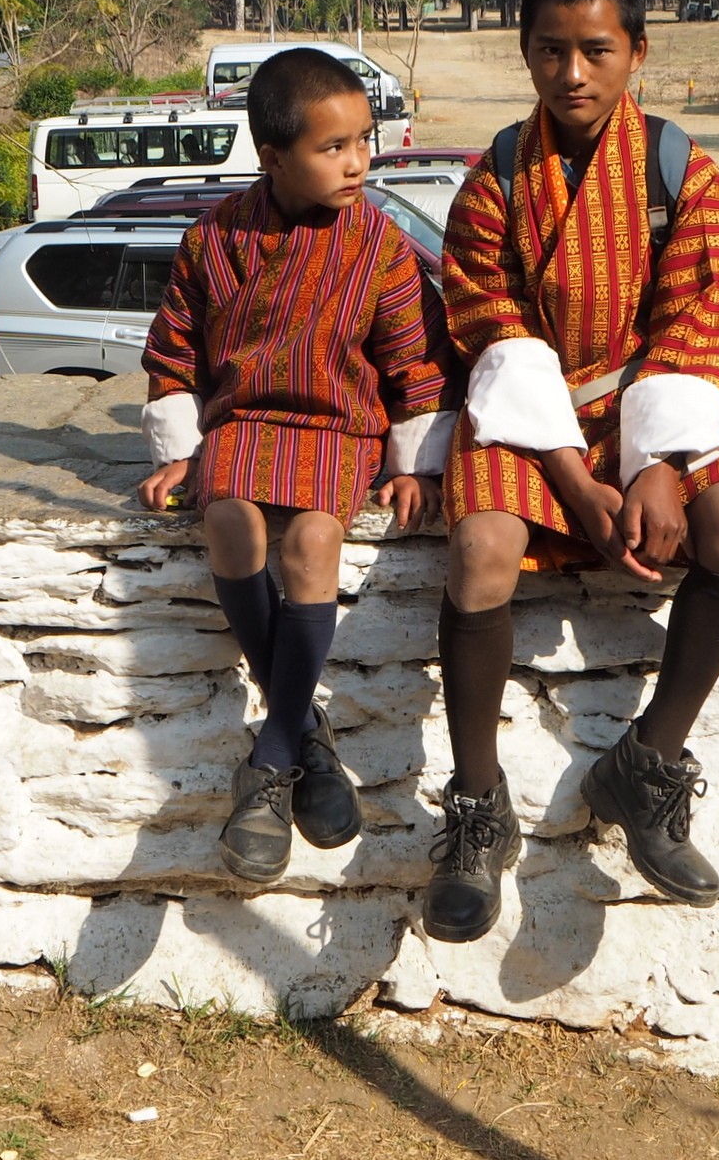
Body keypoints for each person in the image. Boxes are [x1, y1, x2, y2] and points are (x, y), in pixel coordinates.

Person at [426, 0, 719, 943]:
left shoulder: (680, 171)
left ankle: (648, 763)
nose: (570, 74)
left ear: (636, 50)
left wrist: (657, 463)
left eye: (593, 50)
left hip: (655, 400)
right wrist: (578, 485)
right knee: (483, 546)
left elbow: (710, 316)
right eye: (548, 51)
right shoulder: (496, 174)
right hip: (530, 412)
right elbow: (484, 320)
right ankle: (478, 807)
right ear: (525, 51)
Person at [137, 49, 461, 884]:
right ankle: (308, 737)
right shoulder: (213, 240)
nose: (357, 162)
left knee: (314, 544)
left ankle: (272, 756)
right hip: (243, 419)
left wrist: (417, 460)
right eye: (333, 147)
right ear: (272, 158)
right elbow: (173, 355)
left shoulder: (380, 248)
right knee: (228, 520)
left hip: (336, 424)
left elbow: (416, 365)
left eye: (365, 140)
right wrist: (180, 450)